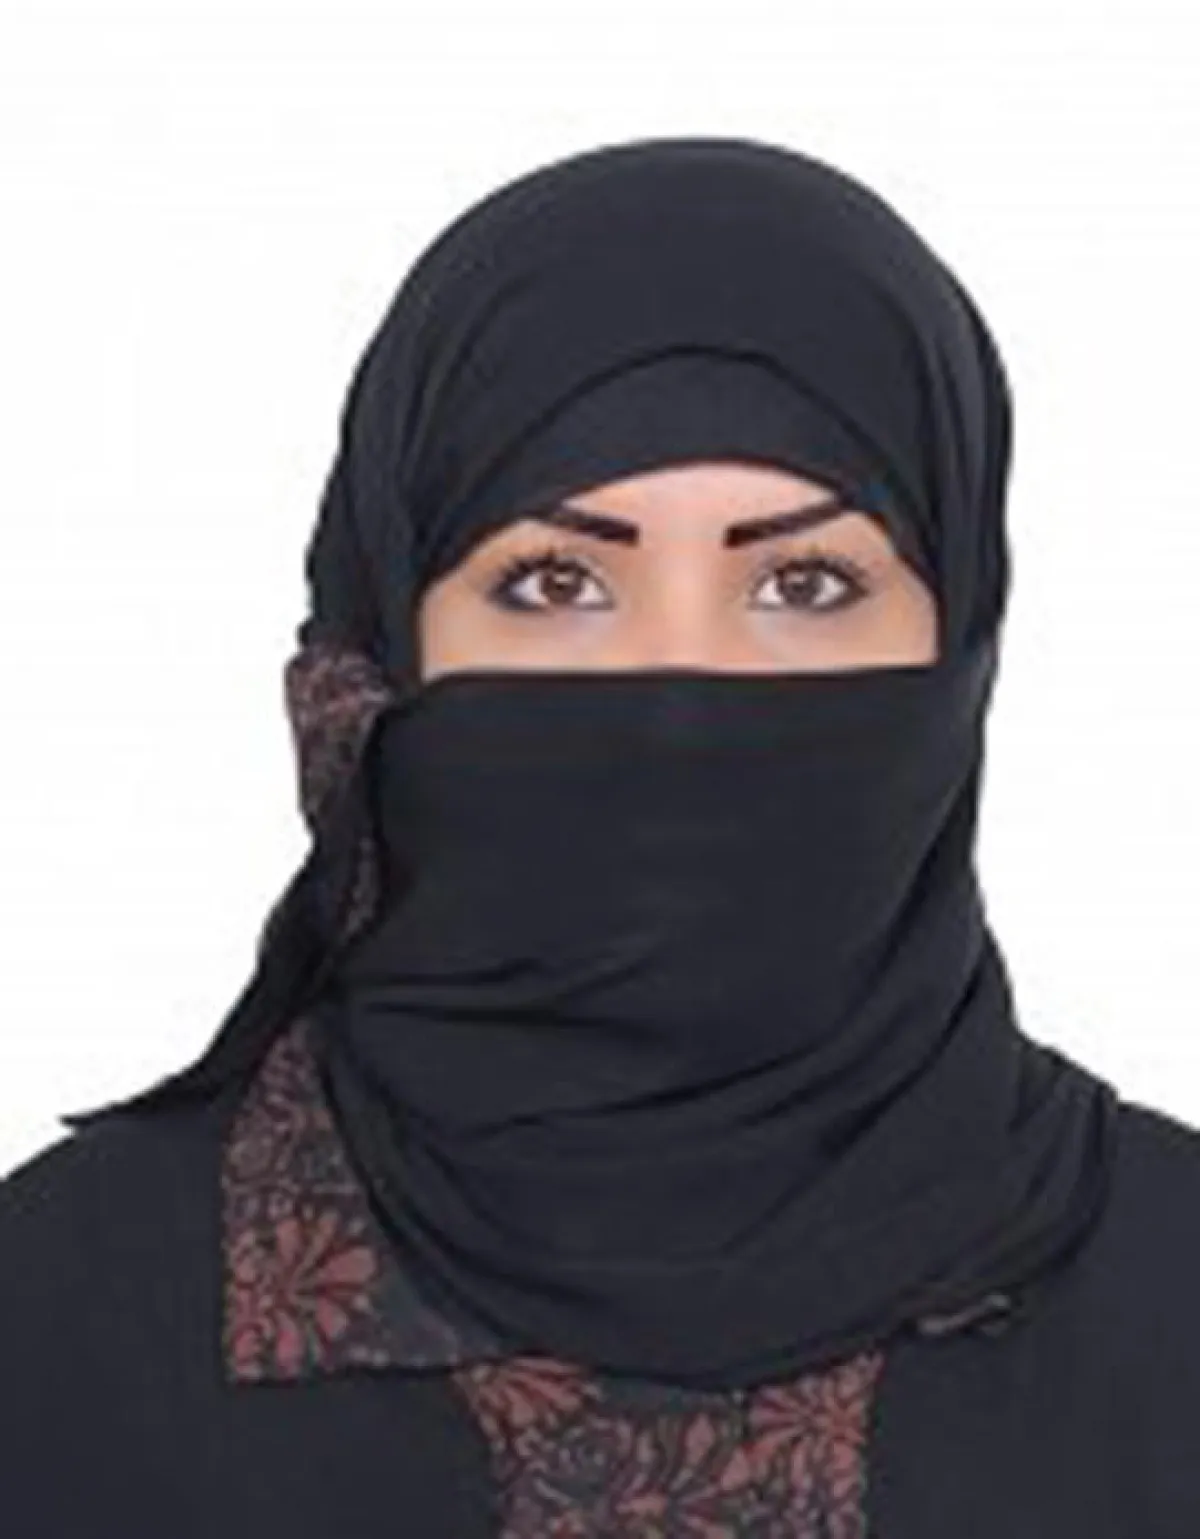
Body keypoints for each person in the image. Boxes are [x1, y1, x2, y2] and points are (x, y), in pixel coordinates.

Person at [2, 133, 1198, 1538]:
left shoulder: (1174, 1302)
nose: (678, 685)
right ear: (385, 650)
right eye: (556, 582)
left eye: (805, 583)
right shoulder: (54, 1331)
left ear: (963, 645)